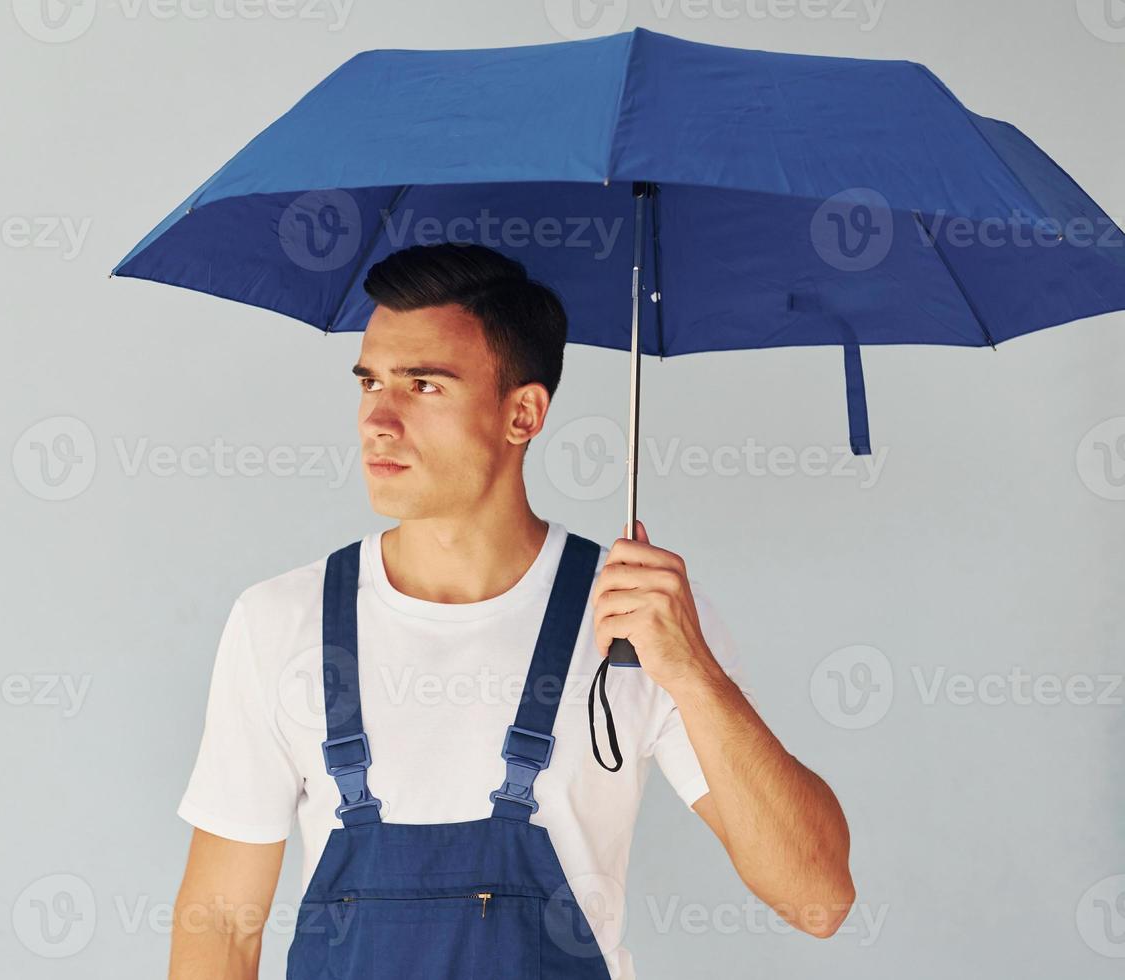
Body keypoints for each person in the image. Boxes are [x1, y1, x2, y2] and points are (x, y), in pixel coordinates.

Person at [166, 243, 854, 979]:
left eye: (423, 386)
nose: (378, 420)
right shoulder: (281, 621)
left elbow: (816, 899)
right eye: (369, 382)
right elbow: (220, 929)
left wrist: (693, 674)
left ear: (522, 412)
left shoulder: (634, 621)